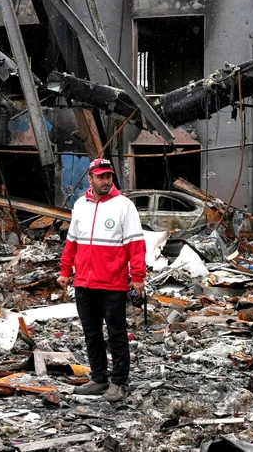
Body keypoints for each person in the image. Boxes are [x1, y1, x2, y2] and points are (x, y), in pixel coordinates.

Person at [57, 158, 146, 402]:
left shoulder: (124, 206)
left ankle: (119, 382)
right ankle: (98, 378)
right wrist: (65, 270)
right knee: (92, 333)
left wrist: (138, 276)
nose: (106, 181)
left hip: (113, 283)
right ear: (90, 179)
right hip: (84, 283)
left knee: (117, 334)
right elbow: (72, 242)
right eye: (101, 177)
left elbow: (135, 245)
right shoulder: (80, 205)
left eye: (109, 176)